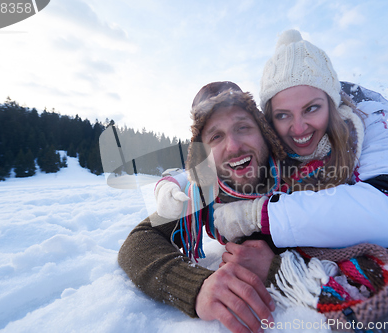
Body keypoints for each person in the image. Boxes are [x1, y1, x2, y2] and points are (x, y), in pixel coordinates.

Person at [210, 29, 388, 323]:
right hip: (318, 242)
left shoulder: (366, 124)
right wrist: (177, 187)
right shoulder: (261, 142)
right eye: (283, 115)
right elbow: (207, 173)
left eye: (312, 109)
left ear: (333, 103)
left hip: (365, 237)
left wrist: (262, 218)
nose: (298, 129)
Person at [119, 81, 290, 333]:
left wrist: (281, 268)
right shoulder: (203, 194)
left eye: (242, 127)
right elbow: (139, 241)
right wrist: (196, 286)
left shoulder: (302, 175)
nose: (233, 146)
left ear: (263, 131)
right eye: (216, 136)